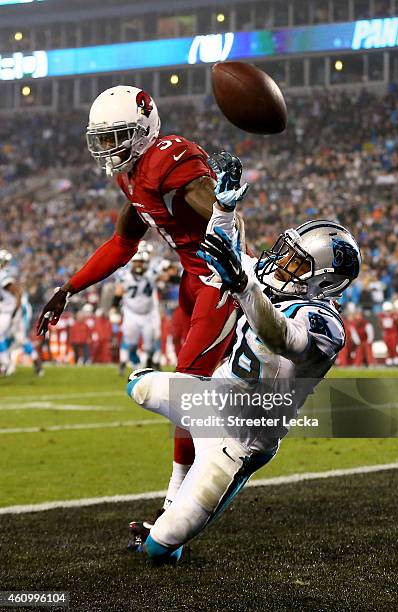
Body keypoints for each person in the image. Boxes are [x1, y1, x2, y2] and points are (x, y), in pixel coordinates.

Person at [36, 86, 246, 516]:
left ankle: (176, 504)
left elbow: (227, 220)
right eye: (104, 137)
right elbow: (121, 244)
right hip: (193, 281)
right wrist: (69, 288)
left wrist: (222, 205)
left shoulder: (169, 158)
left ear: (145, 128)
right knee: (202, 388)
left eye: (118, 135)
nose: (109, 148)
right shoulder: (131, 174)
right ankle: (219, 457)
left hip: (218, 279)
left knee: (187, 389)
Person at [126, 194, 361, 563]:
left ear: (324, 282)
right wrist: (223, 207)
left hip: (238, 442)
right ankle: (172, 500)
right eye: (287, 252)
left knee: (160, 548)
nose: (282, 262)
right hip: (210, 400)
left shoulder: (325, 324)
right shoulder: (268, 282)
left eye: (296, 262)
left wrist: (242, 285)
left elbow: (282, 337)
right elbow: (223, 250)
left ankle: (173, 526)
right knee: (137, 383)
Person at [113, 249, 163, 374]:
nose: (138, 265)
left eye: (141, 262)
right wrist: (114, 308)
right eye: (136, 262)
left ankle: (149, 364)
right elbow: (118, 292)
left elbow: (165, 276)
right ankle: (136, 367)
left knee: (149, 346)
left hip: (148, 314)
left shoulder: (152, 274)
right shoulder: (125, 276)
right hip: (131, 314)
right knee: (131, 344)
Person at [0, 250, 22, 376]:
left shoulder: (3, 275)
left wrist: (15, 312)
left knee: (9, 337)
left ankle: (6, 364)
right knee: (5, 338)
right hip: (4, 310)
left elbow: (17, 292)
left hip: (8, 312)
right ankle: (5, 364)